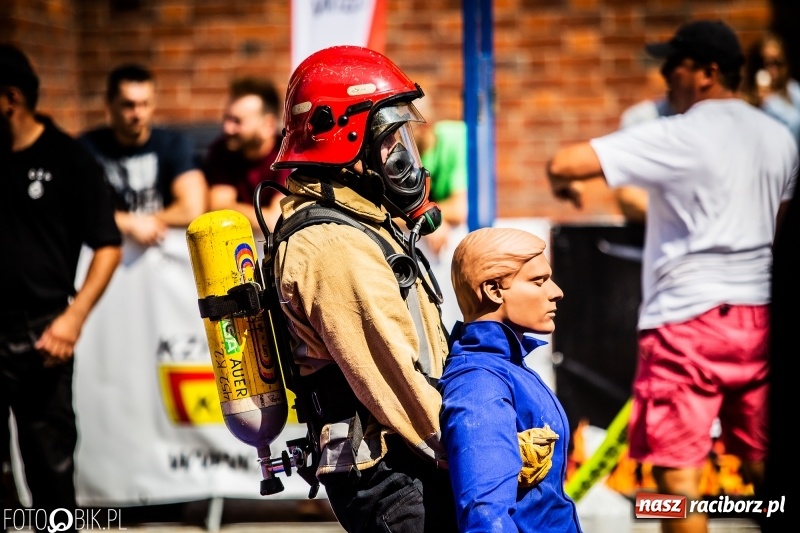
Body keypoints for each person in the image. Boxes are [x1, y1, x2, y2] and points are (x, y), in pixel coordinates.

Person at [546, 20, 797, 533]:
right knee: (761, 463)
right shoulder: (780, 139)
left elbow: (565, 162)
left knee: (675, 481)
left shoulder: (678, 134)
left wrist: (565, 186)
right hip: (760, 320)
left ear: (707, 72)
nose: (664, 77)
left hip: (686, 321)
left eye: (673, 66)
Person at [269, 45, 457, 532]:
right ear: (344, 141)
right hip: (397, 472)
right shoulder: (333, 245)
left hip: (413, 457)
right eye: (390, 140)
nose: (404, 157)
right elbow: (396, 381)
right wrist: (477, 454)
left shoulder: (361, 224)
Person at [0, 43, 122, 525]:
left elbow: (107, 245)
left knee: (50, 470)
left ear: (10, 98)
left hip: (42, 333)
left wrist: (72, 319)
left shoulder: (70, 160)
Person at [440, 227, 582, 532]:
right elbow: (485, 516)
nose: (556, 291)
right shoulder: (479, 383)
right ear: (494, 290)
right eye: (538, 281)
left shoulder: (506, 367)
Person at [79, 64, 207, 247]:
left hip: (162, 248)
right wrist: (128, 223)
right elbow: (74, 209)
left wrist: (143, 222)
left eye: (145, 104)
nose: (138, 114)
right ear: (109, 102)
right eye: (128, 105)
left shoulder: (174, 144)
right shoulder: (87, 147)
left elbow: (192, 209)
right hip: (108, 249)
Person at [204, 77, 292, 234]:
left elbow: (275, 222)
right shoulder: (222, 151)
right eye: (226, 118)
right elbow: (218, 207)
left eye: (237, 121)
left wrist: (233, 210)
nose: (227, 128)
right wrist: (260, 216)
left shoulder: (286, 155)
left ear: (268, 125)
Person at [741, 32, 800, 146]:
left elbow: (795, 123)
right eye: (767, 64)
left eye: (778, 63)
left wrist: (769, 102)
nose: (773, 70)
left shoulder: (793, 90)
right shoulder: (748, 99)